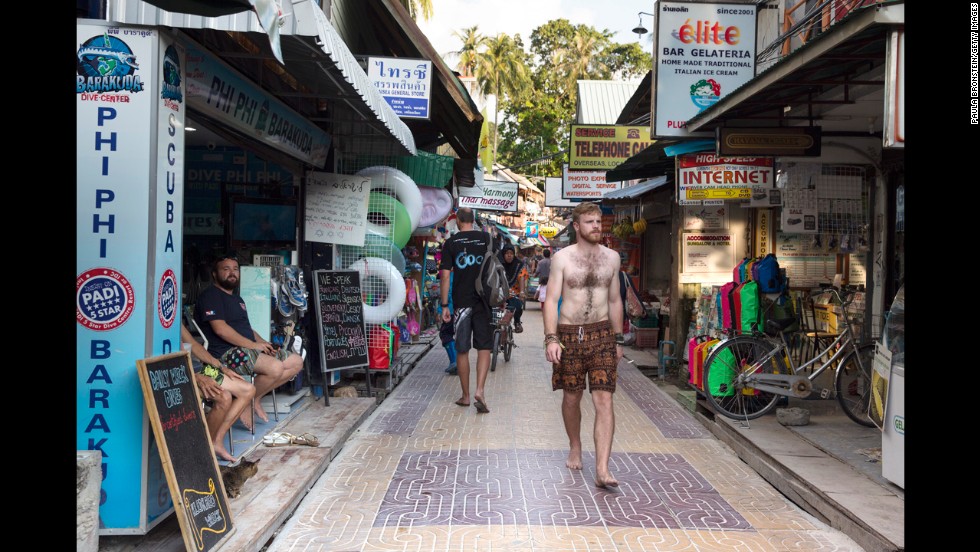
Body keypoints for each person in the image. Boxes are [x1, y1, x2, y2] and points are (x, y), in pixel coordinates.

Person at [542, 202, 625, 489]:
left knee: (604, 399)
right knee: (572, 397)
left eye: (599, 222)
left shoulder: (612, 258)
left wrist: (617, 339)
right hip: (569, 335)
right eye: (590, 222)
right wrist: (551, 338)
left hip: (602, 334)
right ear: (577, 226)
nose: (596, 227)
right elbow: (551, 300)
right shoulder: (562, 259)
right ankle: (575, 444)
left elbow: (615, 301)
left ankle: (602, 469)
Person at [194, 253, 304, 428]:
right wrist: (254, 346)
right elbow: (221, 330)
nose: (232, 273)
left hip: (246, 349)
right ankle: (246, 402)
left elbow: (247, 330)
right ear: (215, 274)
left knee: (296, 362)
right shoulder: (211, 296)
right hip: (225, 353)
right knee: (275, 368)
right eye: (226, 269)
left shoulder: (237, 299)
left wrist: (264, 344)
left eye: (235, 269)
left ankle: (253, 399)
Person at [439, 207, 493, 413]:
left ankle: (466, 396)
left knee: (462, 349)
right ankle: (480, 389)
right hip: (484, 301)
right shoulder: (487, 239)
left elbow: (445, 275)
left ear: (459, 221)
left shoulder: (451, 243)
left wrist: (445, 304)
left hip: (462, 303)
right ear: (474, 220)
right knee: (484, 346)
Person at [181, 321, 255, 463]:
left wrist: (220, 367)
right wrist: (196, 377)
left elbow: (194, 345)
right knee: (224, 397)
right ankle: (202, 449)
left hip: (196, 370)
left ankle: (216, 441)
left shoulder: (174, 319)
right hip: (181, 373)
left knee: (248, 390)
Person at [498, 244, 527, 333]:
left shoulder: (518, 264)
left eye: (511, 253)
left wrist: (522, 292)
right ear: (503, 254)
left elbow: (521, 276)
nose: (509, 255)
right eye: (507, 253)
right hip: (499, 293)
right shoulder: (498, 263)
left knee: (518, 306)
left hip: (513, 293)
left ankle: (517, 322)